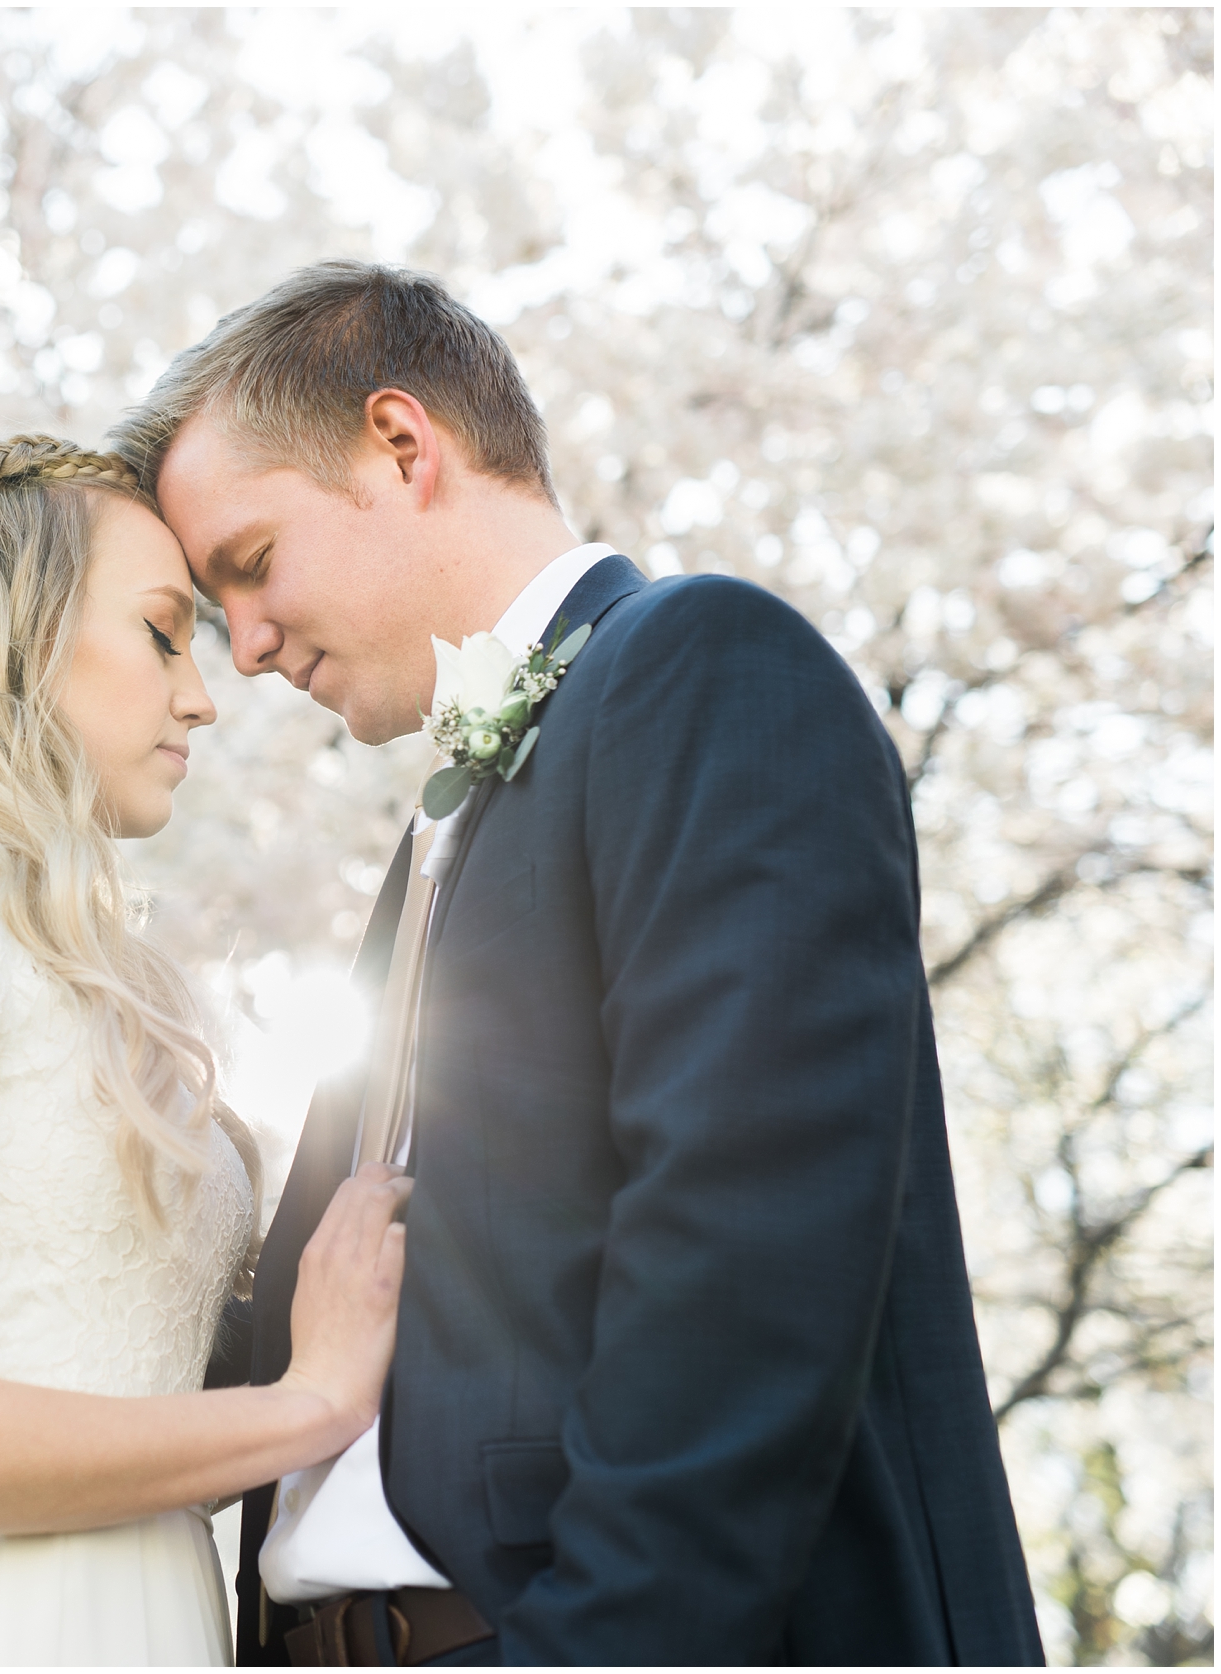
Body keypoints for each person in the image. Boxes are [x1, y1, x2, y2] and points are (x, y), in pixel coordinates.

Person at [110, 260, 1044, 1665]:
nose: (242, 647)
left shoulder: (706, 669)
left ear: (402, 446)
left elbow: (743, 1248)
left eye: (250, 563)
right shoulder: (453, 820)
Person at [0, 434, 413, 1665]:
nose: (204, 693)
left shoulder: (63, 958)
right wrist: (306, 1406)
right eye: (163, 631)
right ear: (10, 636)